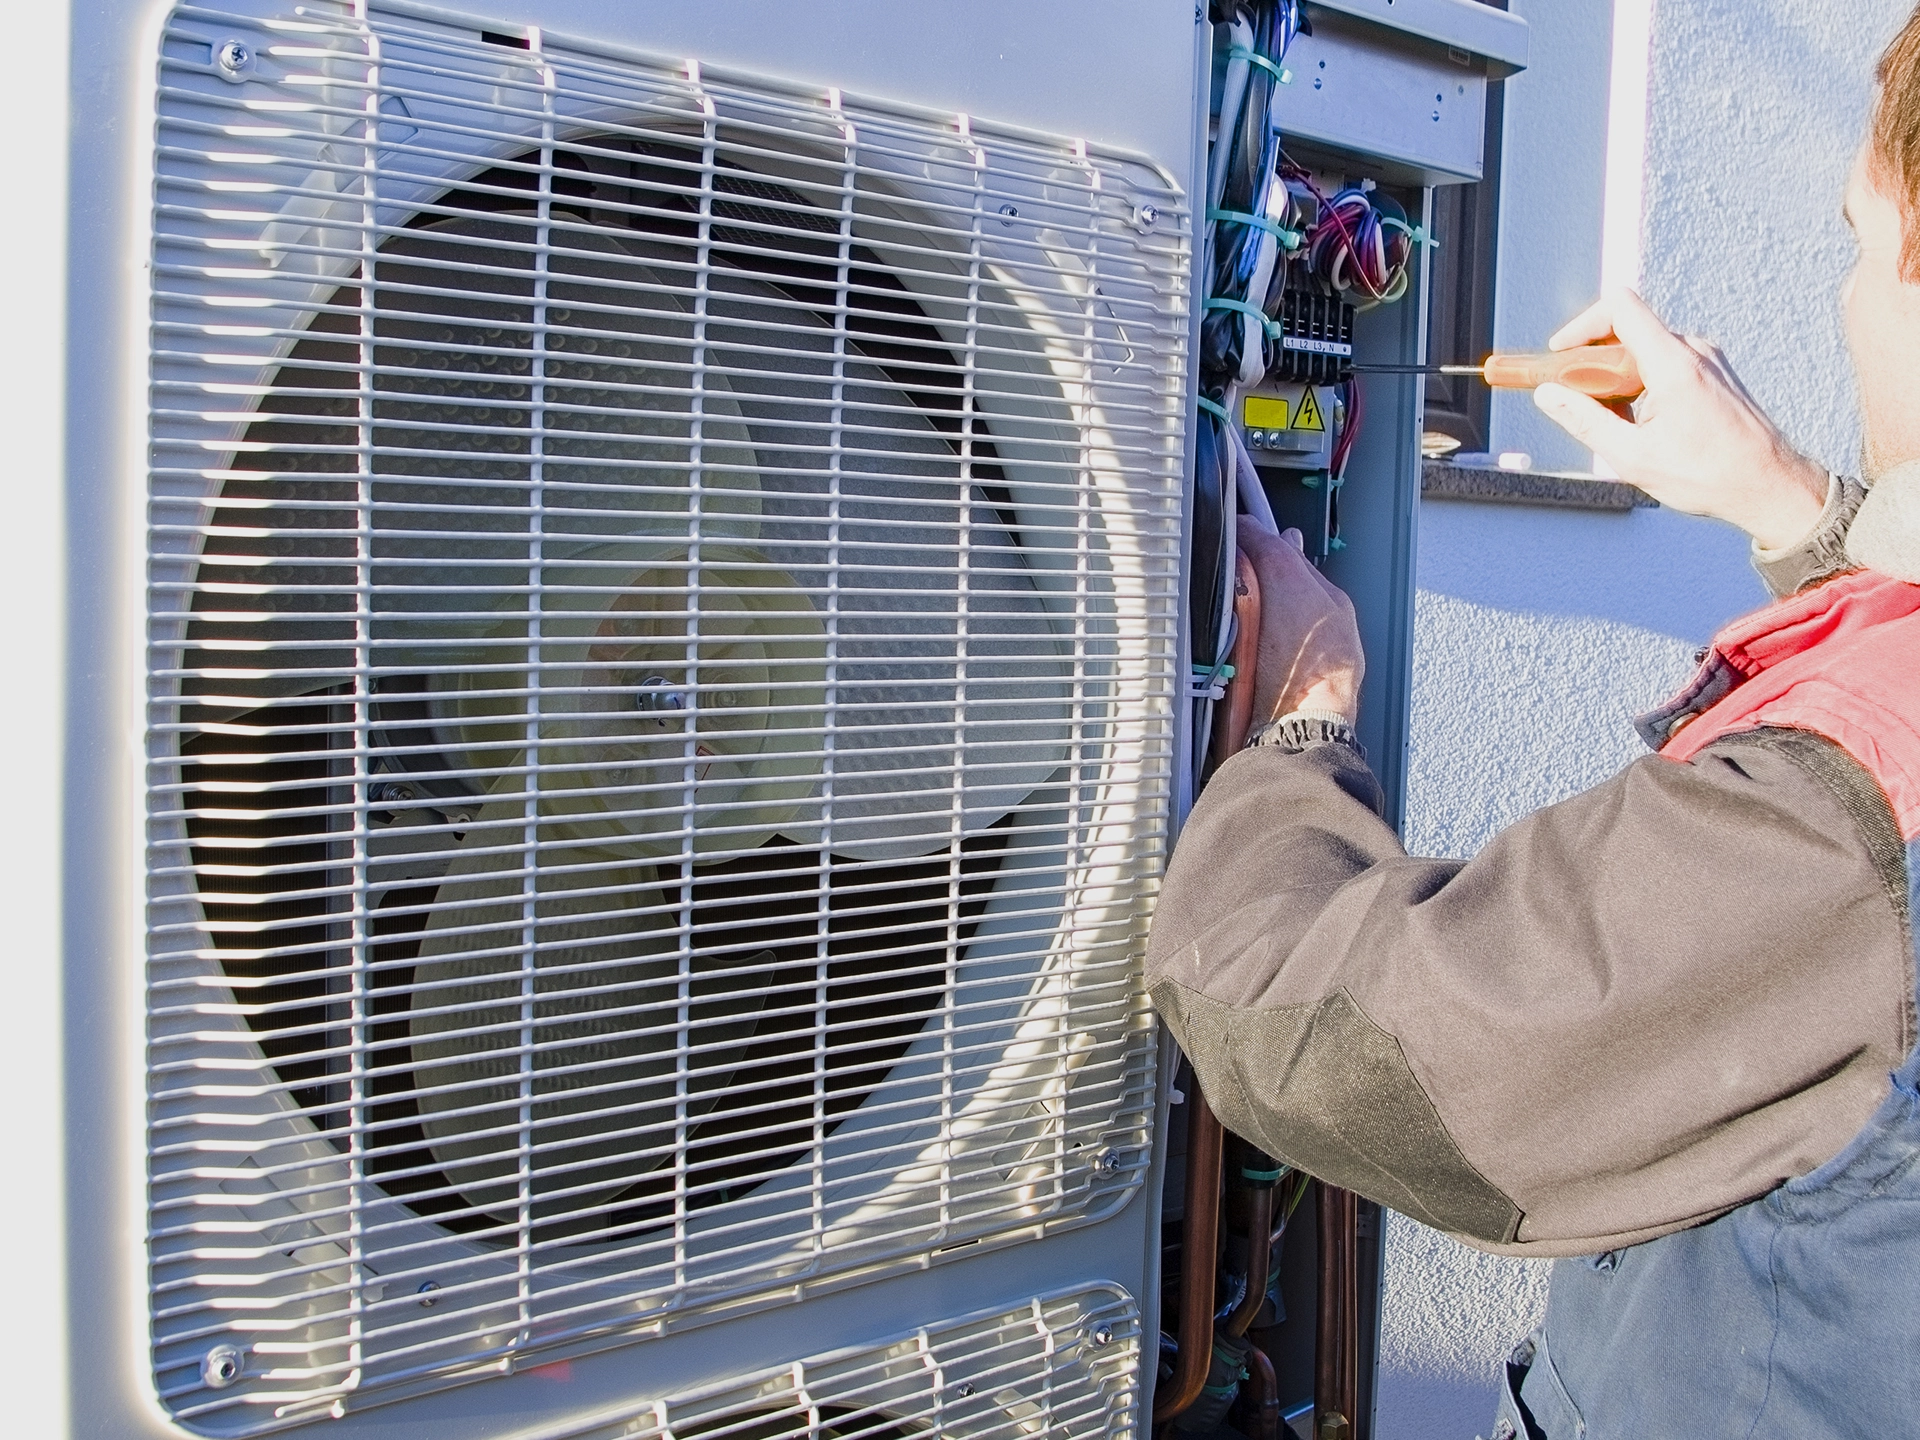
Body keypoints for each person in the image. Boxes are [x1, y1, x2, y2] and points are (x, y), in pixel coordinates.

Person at [1147, 12, 1920, 1439]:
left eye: (1861, 243)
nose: (1852, 295)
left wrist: (1302, 726)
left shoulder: (1845, 802)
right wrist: (1791, 507)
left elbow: (1338, 1052)